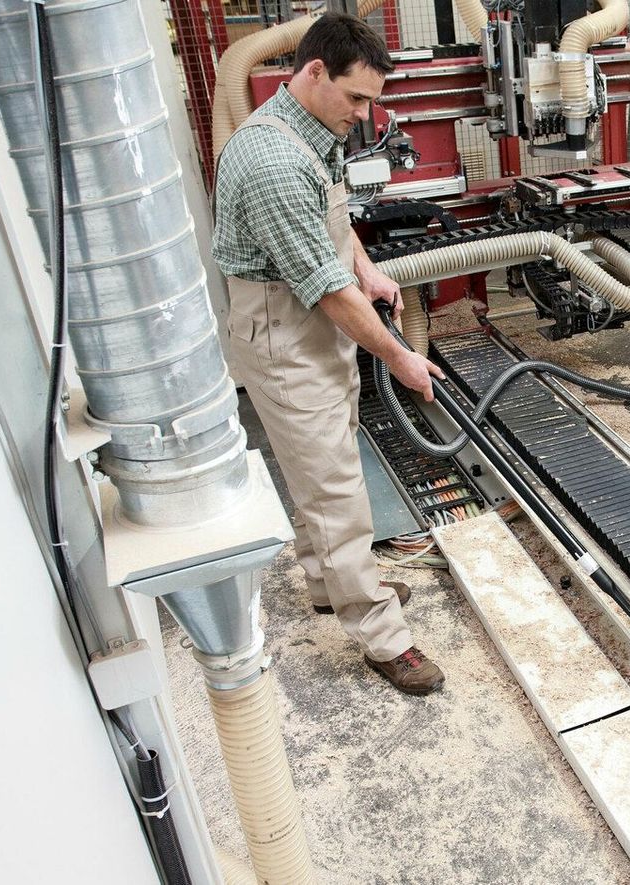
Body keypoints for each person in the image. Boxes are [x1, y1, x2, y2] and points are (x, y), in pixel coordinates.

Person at [212, 12, 445, 695]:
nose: (365, 113)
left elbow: (331, 228)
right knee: (338, 488)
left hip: (311, 321)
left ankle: (325, 582)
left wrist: (366, 267)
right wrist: (401, 358)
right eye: (357, 97)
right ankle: (381, 634)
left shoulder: (319, 129)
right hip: (286, 333)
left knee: (326, 460)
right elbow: (325, 293)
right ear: (313, 72)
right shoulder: (271, 159)